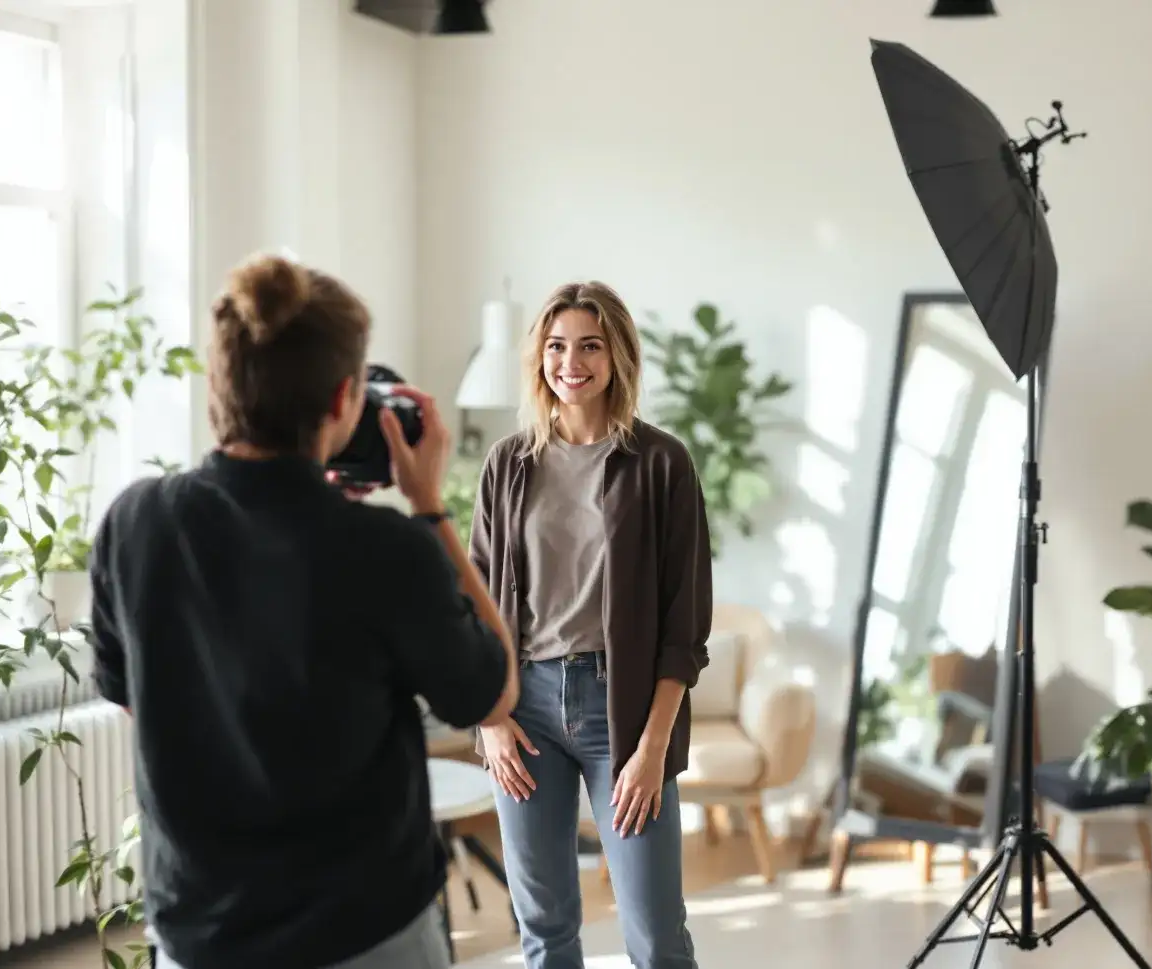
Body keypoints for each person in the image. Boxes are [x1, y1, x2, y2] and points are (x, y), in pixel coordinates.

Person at [87, 253, 518, 969]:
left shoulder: (136, 522)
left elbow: (147, 703)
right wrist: (430, 507)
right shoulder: (386, 549)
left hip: (199, 935)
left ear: (219, 382)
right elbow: (495, 690)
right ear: (346, 397)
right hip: (363, 934)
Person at [469, 281, 714, 969]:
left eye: (589, 346)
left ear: (617, 357)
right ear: (538, 357)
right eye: (555, 346)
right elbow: (478, 604)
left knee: (657, 934)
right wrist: (488, 718)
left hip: (626, 713)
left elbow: (683, 627)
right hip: (525, 711)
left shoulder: (661, 464)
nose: (570, 362)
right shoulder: (508, 466)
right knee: (544, 931)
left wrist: (653, 745)